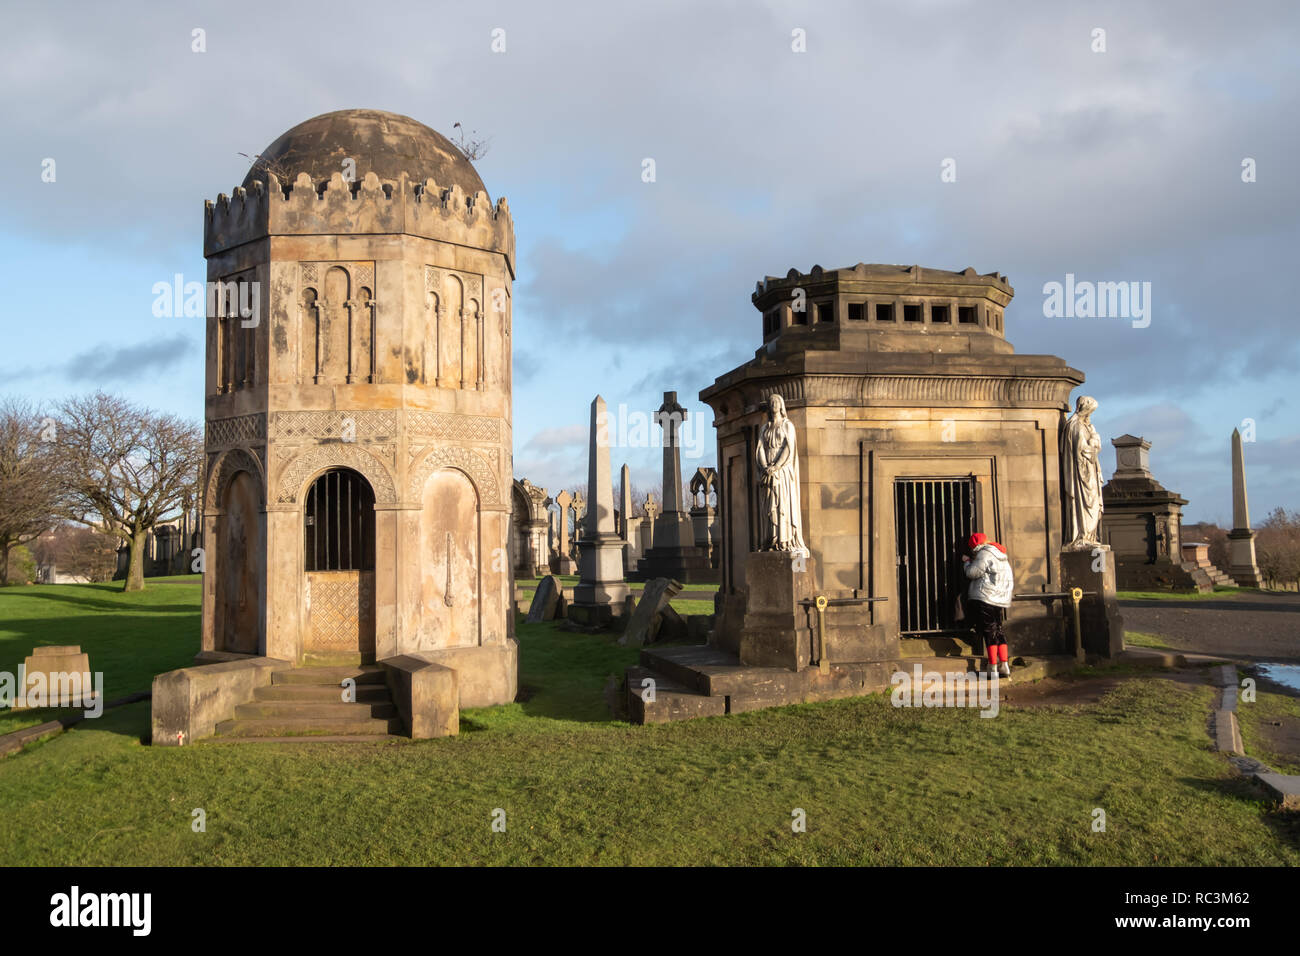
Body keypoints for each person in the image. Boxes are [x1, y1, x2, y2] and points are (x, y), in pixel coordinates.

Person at [963, 532, 1014, 679]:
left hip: (986, 597)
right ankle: (1004, 664)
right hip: (999, 598)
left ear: (974, 546)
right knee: (998, 629)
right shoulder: (1000, 554)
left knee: (989, 631)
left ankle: (992, 667)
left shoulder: (984, 554)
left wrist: (967, 563)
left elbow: (972, 573)